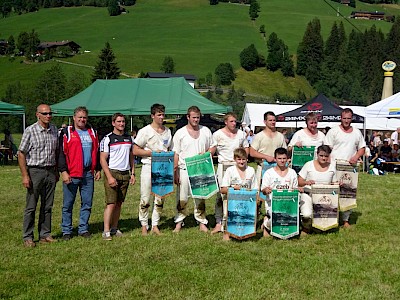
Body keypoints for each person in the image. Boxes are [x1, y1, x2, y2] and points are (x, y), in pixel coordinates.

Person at [18, 104, 59, 247]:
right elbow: (21, 154)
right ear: (38, 115)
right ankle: (28, 236)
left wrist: (56, 171)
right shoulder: (30, 131)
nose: (48, 116)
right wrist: (25, 175)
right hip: (35, 171)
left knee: (47, 206)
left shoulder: (54, 130)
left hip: (50, 171)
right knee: (31, 206)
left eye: (50, 113)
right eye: (45, 113)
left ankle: (45, 234)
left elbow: (57, 151)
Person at [58, 106, 101, 240]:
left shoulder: (92, 131)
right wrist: (63, 171)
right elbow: (61, 153)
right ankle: (66, 230)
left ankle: (83, 228)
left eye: (84, 117)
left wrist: (98, 168)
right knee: (68, 204)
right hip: (72, 173)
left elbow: (97, 150)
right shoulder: (67, 132)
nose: (82, 120)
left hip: (88, 173)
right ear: (74, 118)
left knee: (87, 203)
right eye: (80, 117)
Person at [172, 106, 215, 233]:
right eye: (194, 117)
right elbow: (176, 153)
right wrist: (175, 172)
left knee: (200, 196)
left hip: (201, 169)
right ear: (188, 117)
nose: (196, 120)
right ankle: (179, 221)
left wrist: (207, 153)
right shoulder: (180, 133)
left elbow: (213, 147)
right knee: (182, 197)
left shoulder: (206, 131)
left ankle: (201, 221)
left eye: (198, 117)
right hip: (184, 168)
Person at [133, 104, 172, 236]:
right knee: (145, 197)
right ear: (152, 116)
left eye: (163, 114)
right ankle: (144, 224)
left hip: (163, 168)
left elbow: (170, 149)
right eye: (159, 115)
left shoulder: (168, 131)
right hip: (148, 166)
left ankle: (155, 224)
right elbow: (135, 150)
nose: (162, 117)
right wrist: (151, 153)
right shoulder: (145, 131)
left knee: (160, 198)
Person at [324, 108, 365, 228]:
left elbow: (362, 148)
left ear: (352, 118)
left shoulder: (357, 132)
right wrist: (328, 161)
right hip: (334, 167)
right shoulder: (333, 131)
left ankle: (346, 220)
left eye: (348, 118)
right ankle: (332, 218)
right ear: (340, 118)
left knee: (348, 193)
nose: (346, 121)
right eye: (344, 118)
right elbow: (326, 148)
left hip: (349, 168)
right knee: (333, 192)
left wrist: (356, 156)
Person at [210, 112, 249, 234]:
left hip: (238, 166)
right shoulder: (217, 134)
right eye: (231, 121)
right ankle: (219, 222)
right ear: (225, 122)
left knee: (239, 192)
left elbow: (246, 149)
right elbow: (212, 150)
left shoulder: (241, 134)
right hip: (223, 165)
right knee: (222, 195)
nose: (234, 123)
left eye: (235, 121)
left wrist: (242, 160)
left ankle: (235, 220)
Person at [100, 113, 135, 240]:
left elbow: (132, 156)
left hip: (125, 174)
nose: (121, 124)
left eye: (123, 121)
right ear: (113, 123)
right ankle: (106, 230)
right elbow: (103, 159)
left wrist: (133, 173)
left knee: (119, 203)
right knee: (111, 203)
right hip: (113, 172)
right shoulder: (108, 138)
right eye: (119, 121)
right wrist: (109, 176)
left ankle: (115, 228)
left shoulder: (129, 138)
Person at [297, 145, 337, 235]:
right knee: (306, 214)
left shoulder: (332, 167)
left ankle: (318, 226)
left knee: (321, 228)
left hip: (324, 197)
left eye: (326, 156)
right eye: (321, 155)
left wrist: (338, 184)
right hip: (308, 194)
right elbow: (299, 181)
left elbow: (334, 183)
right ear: (317, 154)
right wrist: (306, 182)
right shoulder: (308, 165)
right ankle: (306, 227)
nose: (323, 158)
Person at [220, 147, 258, 240]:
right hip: (232, 199)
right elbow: (222, 189)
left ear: (247, 159)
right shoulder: (230, 170)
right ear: (235, 159)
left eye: (243, 159)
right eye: (239, 159)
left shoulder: (251, 170)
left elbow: (255, 188)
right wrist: (232, 188)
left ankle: (246, 232)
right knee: (227, 214)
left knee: (247, 215)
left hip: (247, 199)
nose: (241, 162)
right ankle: (227, 232)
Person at [260, 147, 298, 237]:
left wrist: (297, 189)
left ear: (287, 159)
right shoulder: (269, 173)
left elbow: (295, 190)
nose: (282, 161)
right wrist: (266, 190)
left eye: (284, 158)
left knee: (291, 218)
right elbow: (263, 190)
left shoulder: (292, 173)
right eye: (279, 158)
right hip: (273, 204)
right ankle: (266, 224)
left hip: (289, 204)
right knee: (278, 218)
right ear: (275, 159)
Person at [249, 111, 287, 188]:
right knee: (262, 190)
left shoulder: (280, 136)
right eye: (270, 120)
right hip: (263, 166)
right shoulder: (259, 136)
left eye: (274, 120)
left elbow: (284, 151)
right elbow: (252, 152)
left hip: (278, 168)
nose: (273, 122)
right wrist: (266, 157)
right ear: (265, 121)